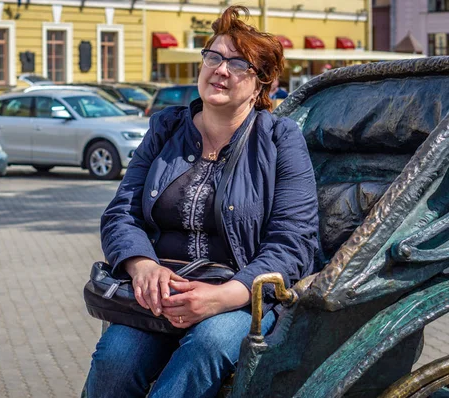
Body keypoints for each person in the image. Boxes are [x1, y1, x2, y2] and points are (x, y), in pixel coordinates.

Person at [86, 5, 319, 397]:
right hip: (159, 292)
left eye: (238, 63)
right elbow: (122, 213)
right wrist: (142, 266)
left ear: (263, 83)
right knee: (115, 357)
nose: (221, 69)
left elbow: (293, 241)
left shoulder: (281, 139)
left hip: (238, 295)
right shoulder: (165, 128)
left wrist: (223, 296)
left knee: (207, 346)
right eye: (213, 56)